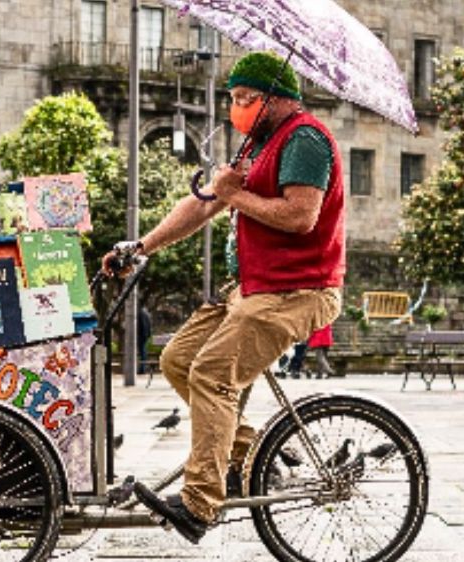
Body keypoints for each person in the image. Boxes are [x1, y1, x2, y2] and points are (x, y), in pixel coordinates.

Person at [104, 51, 345, 544]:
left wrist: (235, 197)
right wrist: (141, 246)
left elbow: (301, 216)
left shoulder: (304, 140)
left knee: (212, 375)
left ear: (275, 98)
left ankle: (199, 504)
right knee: (177, 359)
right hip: (252, 288)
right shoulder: (255, 145)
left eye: (244, 99)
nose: (235, 108)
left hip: (296, 289)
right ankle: (255, 451)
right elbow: (202, 203)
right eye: (231, 98)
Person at [137, 301, 152, 375]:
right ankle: (142, 368)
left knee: (142, 352)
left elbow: (142, 325)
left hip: (141, 335)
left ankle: (142, 368)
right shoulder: (147, 313)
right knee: (143, 352)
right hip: (145, 335)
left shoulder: (141, 313)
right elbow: (149, 325)